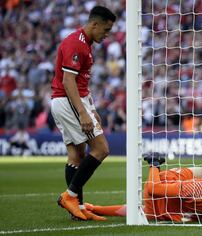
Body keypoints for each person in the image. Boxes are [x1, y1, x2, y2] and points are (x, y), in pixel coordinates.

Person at [50, 6, 116, 221]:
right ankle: (70, 197)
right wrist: (83, 113)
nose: (106, 35)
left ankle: (77, 209)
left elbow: (81, 82)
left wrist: (92, 109)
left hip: (70, 101)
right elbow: (68, 81)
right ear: (94, 24)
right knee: (101, 149)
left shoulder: (85, 43)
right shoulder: (76, 43)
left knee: (76, 156)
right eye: (105, 30)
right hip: (67, 101)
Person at [84, 153, 202, 222]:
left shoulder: (198, 187)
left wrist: (154, 165)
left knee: (200, 171)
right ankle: (93, 208)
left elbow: (153, 189)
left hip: (161, 190)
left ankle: (155, 162)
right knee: (146, 211)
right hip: (166, 212)